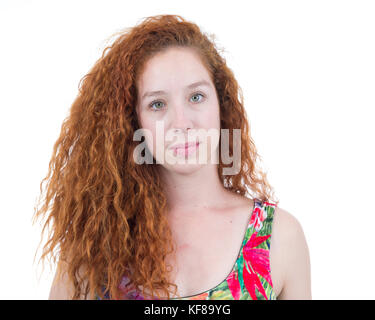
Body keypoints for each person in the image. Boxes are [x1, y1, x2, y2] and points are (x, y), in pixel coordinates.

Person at [33, 14, 311, 300]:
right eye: (157, 104)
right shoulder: (97, 239)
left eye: (196, 97)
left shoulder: (278, 237)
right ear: (133, 121)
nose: (181, 123)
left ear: (221, 103)